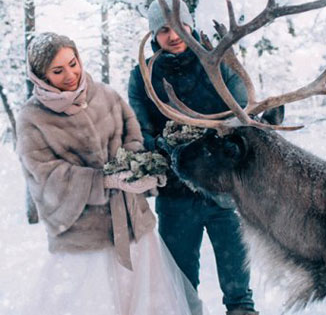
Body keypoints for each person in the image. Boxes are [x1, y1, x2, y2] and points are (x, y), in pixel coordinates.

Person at [16, 32, 207, 315]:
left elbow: (133, 136)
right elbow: (45, 175)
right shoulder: (32, 118)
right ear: (40, 76)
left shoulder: (105, 94)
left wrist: (137, 169)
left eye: (73, 63)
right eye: (58, 71)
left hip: (132, 226)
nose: (70, 74)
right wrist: (99, 181)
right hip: (85, 237)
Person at [128, 0, 259, 315]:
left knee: (239, 291)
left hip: (225, 192)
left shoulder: (221, 62)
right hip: (176, 195)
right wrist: (165, 147)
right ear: (153, 35)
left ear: (190, 25)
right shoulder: (144, 75)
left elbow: (243, 118)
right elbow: (139, 131)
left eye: (178, 26)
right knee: (181, 288)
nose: (172, 35)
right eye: (162, 30)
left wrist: (227, 146)